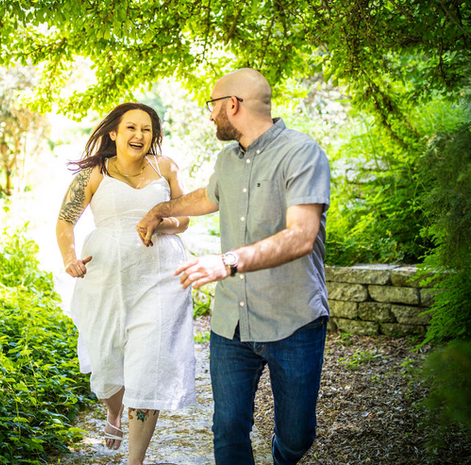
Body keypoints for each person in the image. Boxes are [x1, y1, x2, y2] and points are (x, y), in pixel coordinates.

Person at [137, 68, 331, 465]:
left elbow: (301, 235)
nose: (210, 115)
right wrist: (161, 209)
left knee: (296, 437)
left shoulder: (302, 153)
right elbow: (207, 198)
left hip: (293, 320)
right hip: (232, 325)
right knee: (227, 429)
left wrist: (228, 262)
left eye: (212, 106)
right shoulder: (228, 159)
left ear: (232, 105)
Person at [55, 102, 196, 465]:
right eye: (131, 128)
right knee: (106, 361)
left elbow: (183, 219)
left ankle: (135, 460)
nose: (139, 135)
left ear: (154, 135)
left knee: (148, 364)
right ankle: (114, 414)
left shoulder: (165, 167)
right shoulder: (94, 174)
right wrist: (70, 259)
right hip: (106, 279)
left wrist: (160, 222)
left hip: (161, 277)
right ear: (114, 133)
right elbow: (65, 223)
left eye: (146, 129)